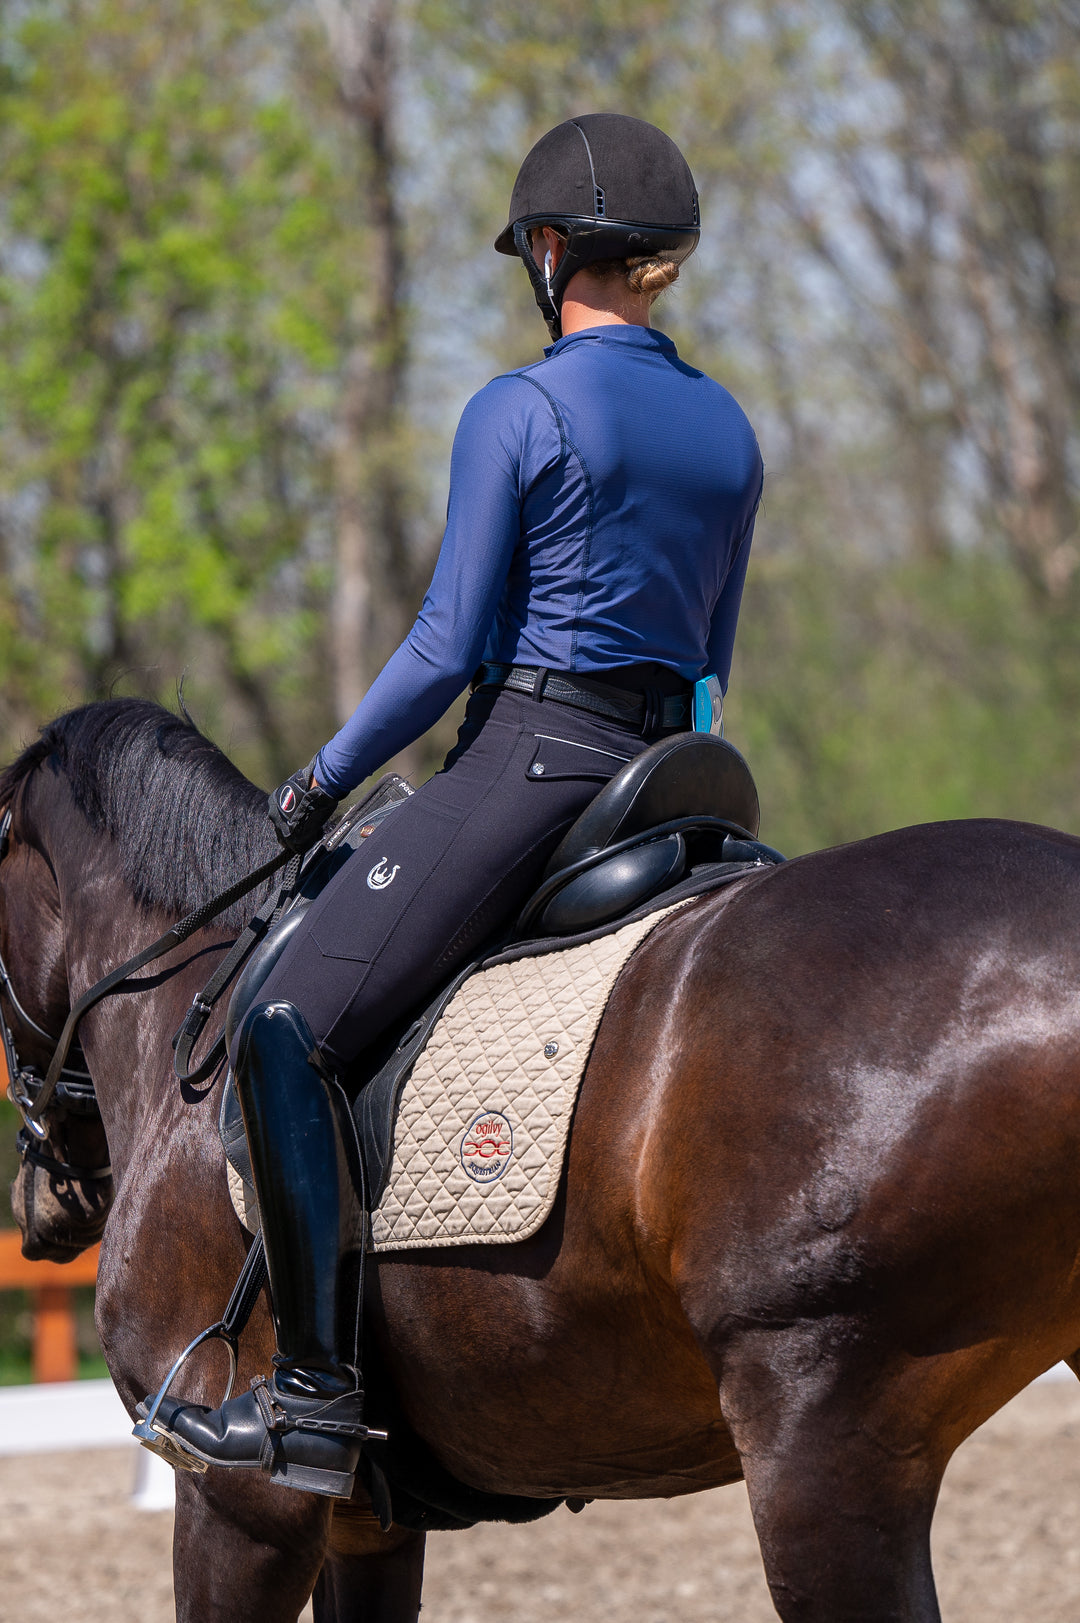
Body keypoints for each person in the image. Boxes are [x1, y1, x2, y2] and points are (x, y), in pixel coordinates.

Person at [158, 112, 764, 1497]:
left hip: (535, 758)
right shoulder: (730, 430)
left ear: (549, 252)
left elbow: (443, 650)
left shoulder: (519, 409)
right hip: (675, 775)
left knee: (287, 1025)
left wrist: (316, 782)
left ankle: (315, 1397)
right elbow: (711, 665)